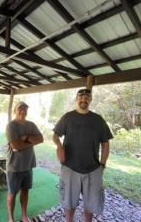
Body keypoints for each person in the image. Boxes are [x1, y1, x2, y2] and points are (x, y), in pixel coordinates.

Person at [52, 88, 113, 222]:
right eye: (81, 97)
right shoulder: (68, 117)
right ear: (77, 99)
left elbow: (105, 143)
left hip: (92, 169)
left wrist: (102, 165)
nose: (83, 100)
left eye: (87, 98)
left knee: (90, 207)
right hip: (69, 167)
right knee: (69, 205)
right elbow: (56, 135)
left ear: (90, 100)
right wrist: (59, 146)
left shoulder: (98, 120)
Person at [5, 101, 44, 222]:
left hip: (28, 165)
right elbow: (15, 144)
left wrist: (26, 138)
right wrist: (32, 141)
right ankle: (11, 218)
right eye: (20, 108)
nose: (22, 111)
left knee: (25, 191)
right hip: (14, 167)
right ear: (15, 111)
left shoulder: (31, 125)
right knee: (12, 194)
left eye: (25, 109)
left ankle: (24, 216)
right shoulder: (11, 126)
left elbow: (41, 138)